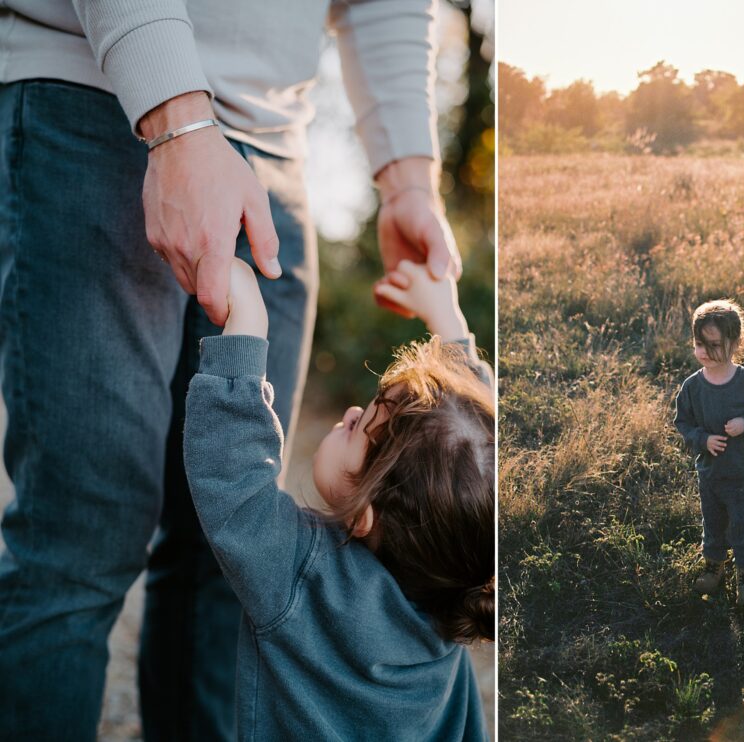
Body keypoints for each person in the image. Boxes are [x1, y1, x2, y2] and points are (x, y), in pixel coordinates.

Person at [0, 2, 462, 738]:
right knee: (80, 537)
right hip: (93, 90)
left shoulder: (283, 562)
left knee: (215, 574)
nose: (357, 407)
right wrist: (176, 117)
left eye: (366, 425)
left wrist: (408, 180)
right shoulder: (450, 609)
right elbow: (473, 412)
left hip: (274, 144)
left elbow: (235, 480)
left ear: (369, 514)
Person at [181, 257, 492, 739]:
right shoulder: (453, 587)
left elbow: (234, 481)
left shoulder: (300, 577)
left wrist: (247, 324)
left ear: (365, 516)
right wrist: (447, 321)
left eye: (355, 428)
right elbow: (477, 460)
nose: (348, 412)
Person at [673, 300, 744, 606]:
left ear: (733, 343)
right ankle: (713, 566)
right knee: (713, 524)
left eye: (713, 344)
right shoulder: (693, 387)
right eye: (698, 344)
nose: (704, 351)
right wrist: (702, 440)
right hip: (711, 474)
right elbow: (683, 423)